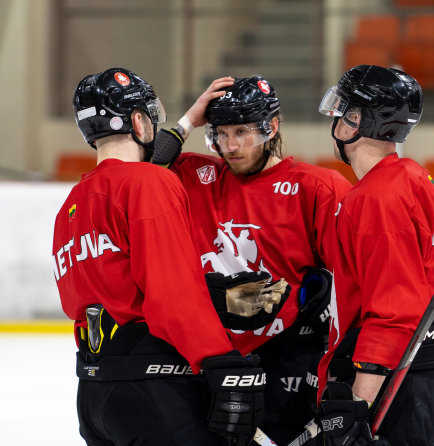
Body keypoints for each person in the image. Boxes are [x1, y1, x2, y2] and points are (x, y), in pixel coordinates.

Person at [52, 67, 265, 446]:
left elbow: (93, 294)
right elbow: (170, 294)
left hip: (93, 396)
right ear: (138, 120)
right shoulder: (150, 183)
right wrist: (220, 361)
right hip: (154, 392)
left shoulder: (73, 202)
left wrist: (209, 292)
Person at [152, 75, 353, 445]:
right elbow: (136, 170)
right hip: (211, 357)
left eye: (242, 132)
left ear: (271, 127)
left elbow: (350, 279)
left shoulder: (317, 186)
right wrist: (189, 121)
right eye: (221, 133)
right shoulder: (200, 175)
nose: (230, 146)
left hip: (287, 356)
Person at [315, 65, 434, 446]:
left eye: (343, 110)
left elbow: (393, 310)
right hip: (429, 366)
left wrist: (357, 407)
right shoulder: (411, 175)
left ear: (356, 120)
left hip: (400, 377)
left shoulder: (376, 199)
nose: (335, 118)